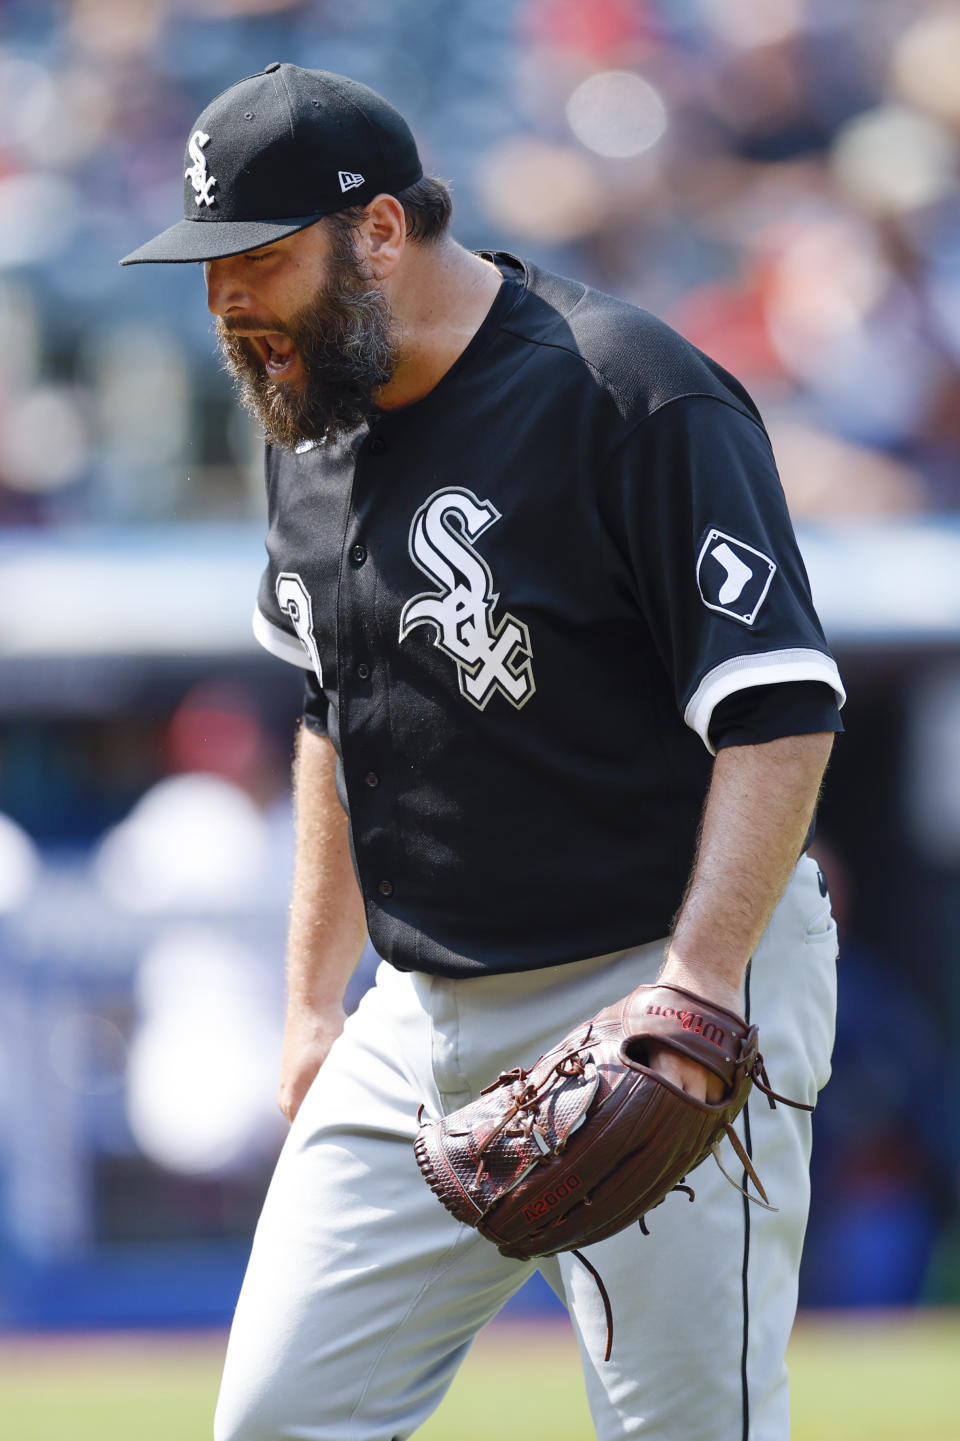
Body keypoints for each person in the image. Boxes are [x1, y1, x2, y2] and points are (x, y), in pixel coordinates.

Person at [122, 62, 844, 1441]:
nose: (227, 303)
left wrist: (695, 988)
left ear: (379, 233)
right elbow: (333, 715)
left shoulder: (626, 392)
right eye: (208, 268)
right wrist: (313, 1002)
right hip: (423, 1009)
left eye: (260, 260)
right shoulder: (310, 418)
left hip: (659, 975)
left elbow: (778, 712)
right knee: (276, 1419)